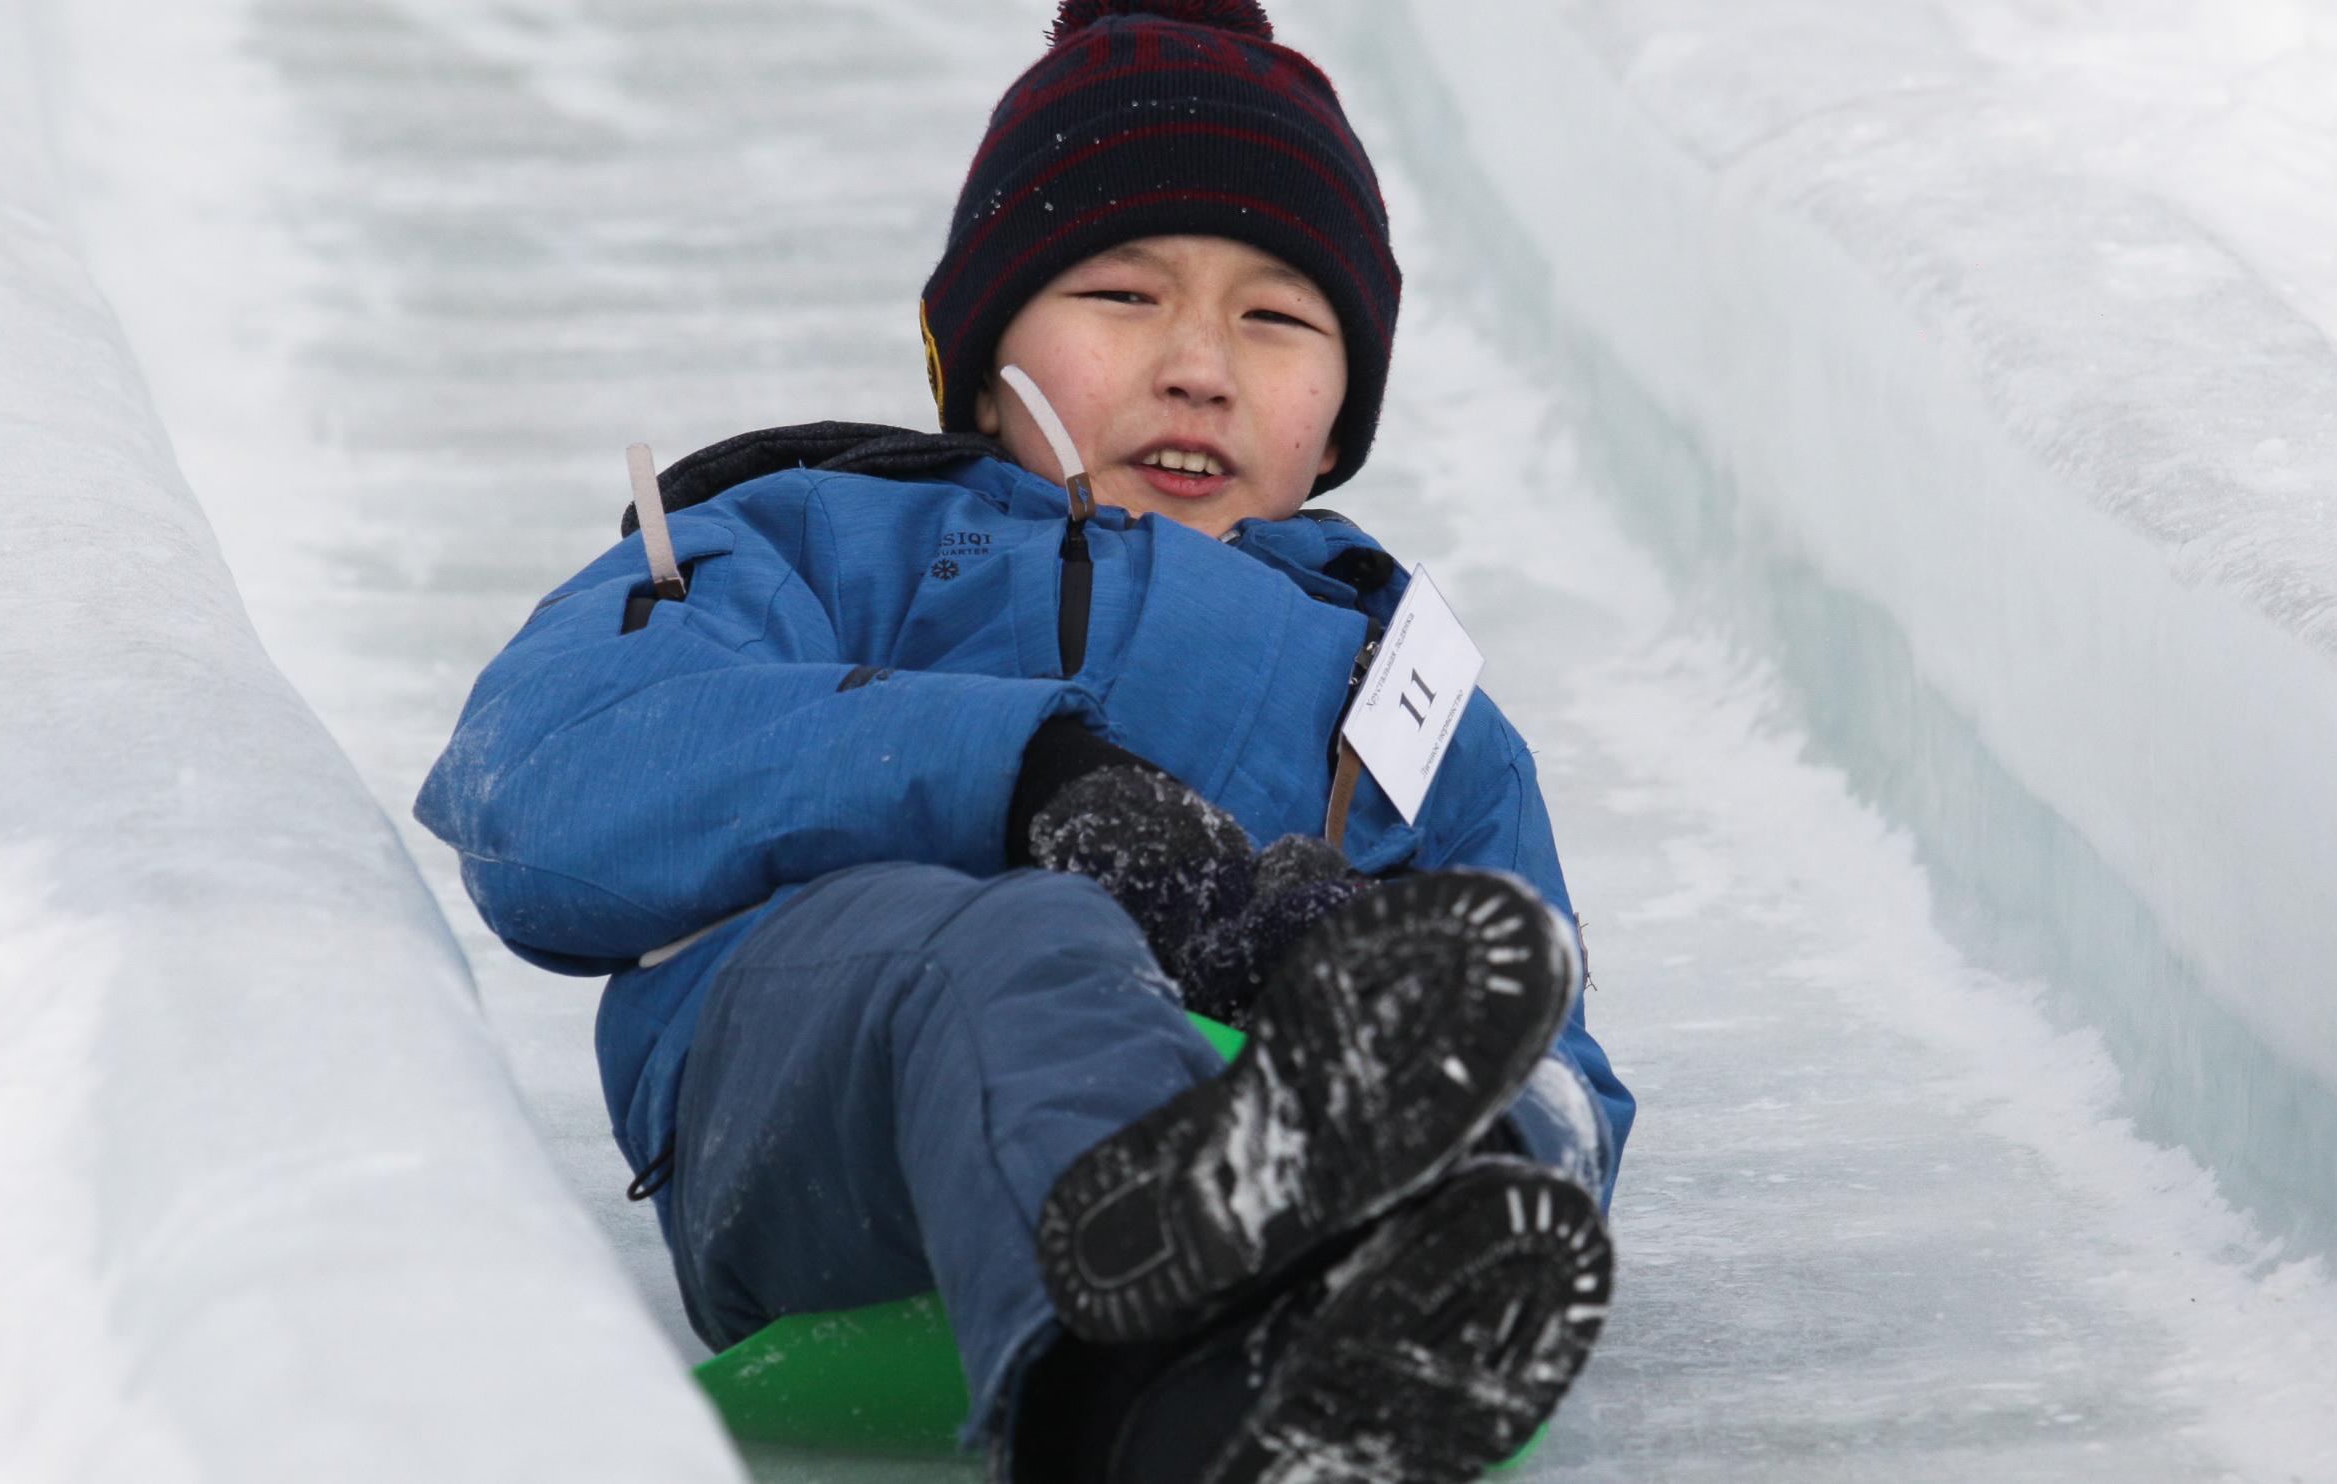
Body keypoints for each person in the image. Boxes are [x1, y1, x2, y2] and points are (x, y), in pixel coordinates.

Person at [415, 2, 1633, 1478]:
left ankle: (1359, 1279)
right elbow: (544, 774)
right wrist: (1025, 780)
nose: (1200, 364)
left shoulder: (1411, 703)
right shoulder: (817, 534)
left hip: (1228, 1096)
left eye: (1278, 317)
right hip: (830, 1103)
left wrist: (1384, 1009)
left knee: (1469, 1027)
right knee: (1017, 942)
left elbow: (1549, 1046)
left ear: (1338, 420)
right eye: (1125, 294)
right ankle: (1137, 1397)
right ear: (983, 358)